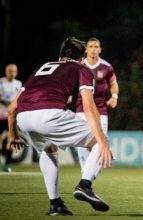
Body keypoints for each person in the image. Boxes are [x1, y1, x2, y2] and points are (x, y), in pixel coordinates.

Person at [7, 37, 113, 216]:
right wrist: (101, 139)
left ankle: (55, 204)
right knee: (100, 141)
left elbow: (11, 108)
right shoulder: (82, 68)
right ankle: (85, 185)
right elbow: (88, 106)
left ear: (61, 55)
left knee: (49, 148)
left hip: (23, 118)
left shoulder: (43, 67)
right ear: (81, 58)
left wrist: (12, 134)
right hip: (49, 114)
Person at [75, 37, 119, 174]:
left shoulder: (106, 67)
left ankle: (92, 169)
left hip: (100, 109)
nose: (93, 49)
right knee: (82, 141)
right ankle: (85, 171)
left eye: (96, 46)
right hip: (82, 108)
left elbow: (114, 84)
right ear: (86, 49)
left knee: (101, 140)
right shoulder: (79, 66)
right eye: (91, 46)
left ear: (100, 49)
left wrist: (114, 97)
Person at [0, 63, 22, 172]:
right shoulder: (1, 82)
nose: (11, 73)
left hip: (11, 116)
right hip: (0, 115)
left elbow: (19, 99)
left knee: (11, 139)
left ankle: (7, 163)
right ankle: (2, 156)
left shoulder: (18, 84)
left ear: (16, 72)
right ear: (6, 72)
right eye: (9, 71)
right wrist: (9, 103)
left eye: (13, 71)